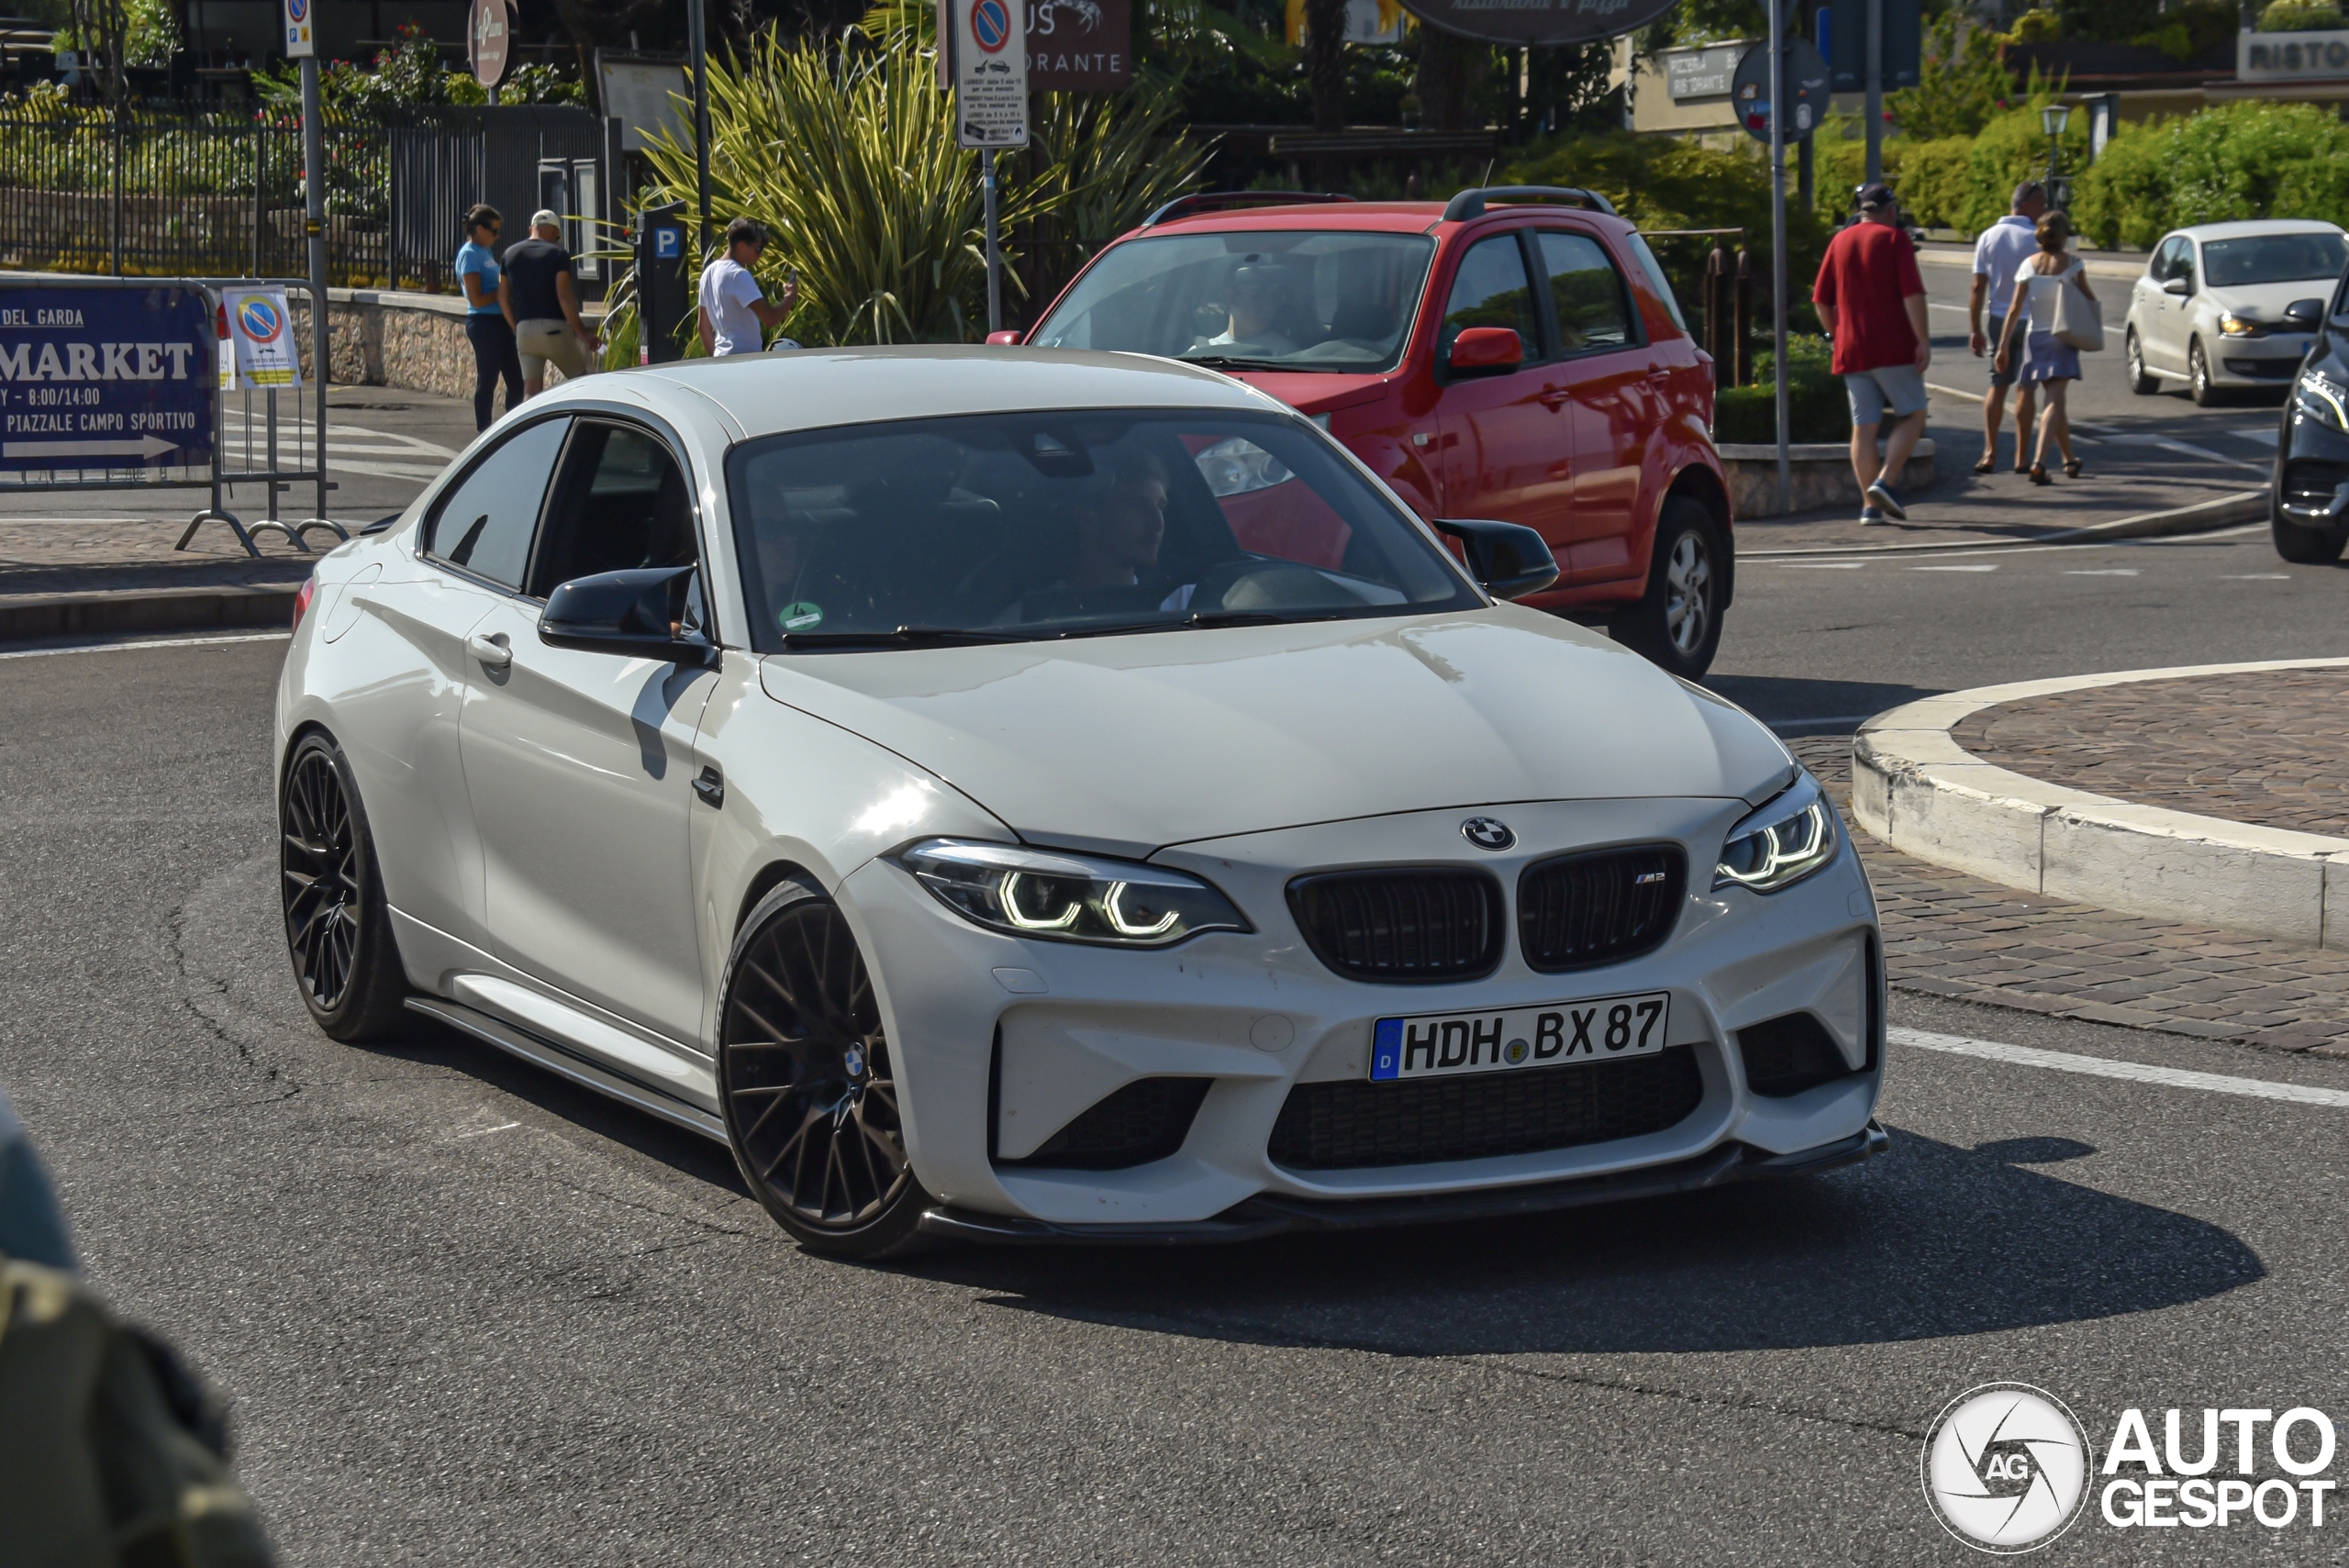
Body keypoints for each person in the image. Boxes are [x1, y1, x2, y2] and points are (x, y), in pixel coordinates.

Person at [1811, 183, 1932, 525]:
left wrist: (1839, 333)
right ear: (1891, 210)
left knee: (1863, 428)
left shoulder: (1839, 241)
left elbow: (1821, 299)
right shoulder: (1895, 240)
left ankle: (1870, 507)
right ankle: (1886, 481)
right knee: (1914, 413)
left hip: (1852, 348)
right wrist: (1922, 339)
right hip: (1892, 346)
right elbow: (1912, 295)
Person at [1995, 209, 2097, 485]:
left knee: (2055, 402)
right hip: (2061, 336)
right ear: (2064, 236)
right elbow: (2089, 299)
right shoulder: (2074, 264)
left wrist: (2003, 346)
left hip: (2034, 337)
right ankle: (2039, 461)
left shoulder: (2028, 265)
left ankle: (2070, 459)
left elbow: (2015, 309)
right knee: (2054, 399)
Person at [1969, 182, 2046, 474]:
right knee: (2026, 387)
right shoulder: (2037, 238)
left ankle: (1989, 453)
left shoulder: (1988, 236)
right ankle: (2022, 457)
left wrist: (1974, 328)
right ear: (2026, 205)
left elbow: (1978, 287)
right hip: (2031, 319)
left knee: (1997, 384)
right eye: (2041, 204)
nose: (2043, 210)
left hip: (1999, 318)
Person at [500, 209, 598, 399]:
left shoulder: (509, 254)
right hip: (554, 329)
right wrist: (583, 333)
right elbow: (564, 296)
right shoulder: (558, 254)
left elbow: (503, 296)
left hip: (524, 331)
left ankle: (529, 428)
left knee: (531, 390)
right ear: (554, 230)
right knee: (580, 382)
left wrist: (516, 327)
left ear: (531, 228)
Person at [455, 204, 521, 432]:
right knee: (489, 379)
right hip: (484, 323)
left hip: (501, 320)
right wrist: (503, 291)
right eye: (493, 230)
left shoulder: (486, 252)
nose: (497, 235)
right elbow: (476, 299)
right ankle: (484, 430)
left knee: (517, 380)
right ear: (480, 229)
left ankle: (512, 428)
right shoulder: (469, 255)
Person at [697, 217, 798, 357]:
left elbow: (703, 327)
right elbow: (770, 319)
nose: (760, 254)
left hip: (722, 358)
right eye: (758, 249)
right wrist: (791, 296)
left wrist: (715, 360)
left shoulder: (708, 273)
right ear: (742, 246)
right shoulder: (738, 275)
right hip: (744, 359)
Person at [1194, 259, 1298, 357]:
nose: (1268, 306)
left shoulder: (1286, 355)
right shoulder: (1200, 352)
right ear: (1232, 297)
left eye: (1274, 297)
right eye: (1257, 295)